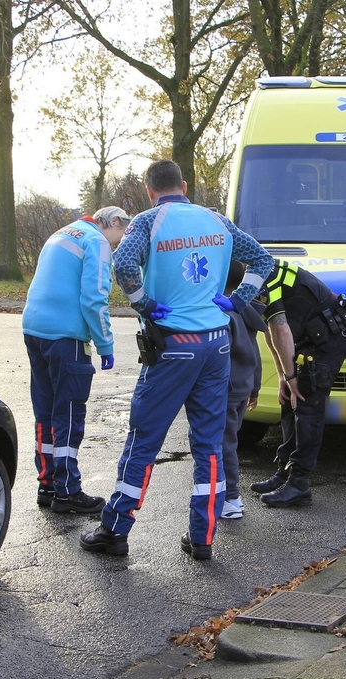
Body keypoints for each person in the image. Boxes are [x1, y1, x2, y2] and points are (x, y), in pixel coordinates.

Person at [79, 160, 274, 560]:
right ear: (184, 185)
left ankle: (115, 530)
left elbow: (124, 263)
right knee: (210, 445)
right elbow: (262, 261)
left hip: (173, 345)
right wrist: (237, 300)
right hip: (218, 344)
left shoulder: (149, 221)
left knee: (144, 440)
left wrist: (143, 303)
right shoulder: (217, 221)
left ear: (150, 190)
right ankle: (202, 538)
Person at [22, 205, 129, 514]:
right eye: (118, 239)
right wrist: (105, 344)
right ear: (115, 223)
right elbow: (95, 297)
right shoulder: (95, 241)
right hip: (66, 335)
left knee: (45, 411)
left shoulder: (61, 233)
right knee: (68, 414)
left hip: (34, 328)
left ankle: (48, 483)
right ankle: (68, 491)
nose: (116, 246)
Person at [250, 259, 346, 508]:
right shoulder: (254, 272)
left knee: (307, 399)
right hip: (309, 334)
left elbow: (280, 330)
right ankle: (285, 471)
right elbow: (270, 330)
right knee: (290, 397)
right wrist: (283, 377)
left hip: (331, 335)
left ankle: (299, 483)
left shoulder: (263, 275)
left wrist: (292, 376)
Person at [219, 261, 267, 520]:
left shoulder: (223, 312)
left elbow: (220, 355)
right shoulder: (245, 309)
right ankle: (229, 495)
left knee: (224, 443)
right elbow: (255, 353)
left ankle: (230, 498)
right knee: (231, 441)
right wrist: (255, 388)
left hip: (225, 388)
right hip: (243, 386)